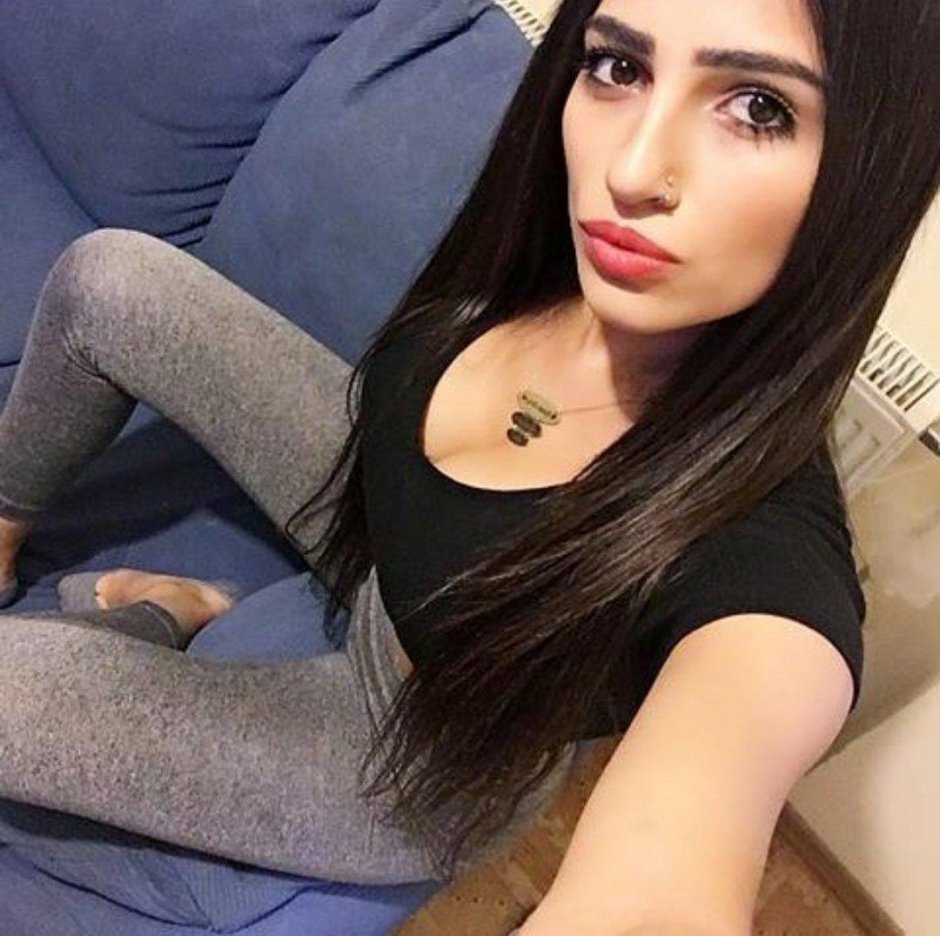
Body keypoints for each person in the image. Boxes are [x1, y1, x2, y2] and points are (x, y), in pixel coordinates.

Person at [0, 0, 937, 932]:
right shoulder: (558, 264)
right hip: (380, 531)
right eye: (619, 67)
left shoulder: (764, 560)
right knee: (111, 279)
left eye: (760, 108)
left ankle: (163, 616)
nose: (631, 169)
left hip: (390, 752)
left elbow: (676, 852)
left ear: (874, 170)